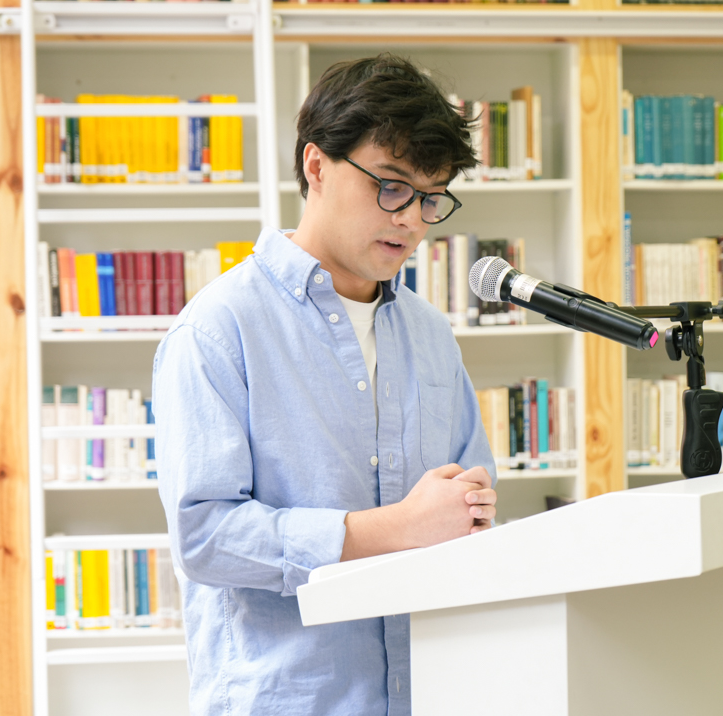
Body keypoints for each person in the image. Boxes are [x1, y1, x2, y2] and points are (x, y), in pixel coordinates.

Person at [153, 54, 497, 716]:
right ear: (316, 165)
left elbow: (467, 502)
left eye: (431, 198)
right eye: (391, 186)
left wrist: (470, 510)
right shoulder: (219, 329)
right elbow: (205, 537)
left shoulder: (430, 334)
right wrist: (396, 528)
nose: (411, 220)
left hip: (430, 693)